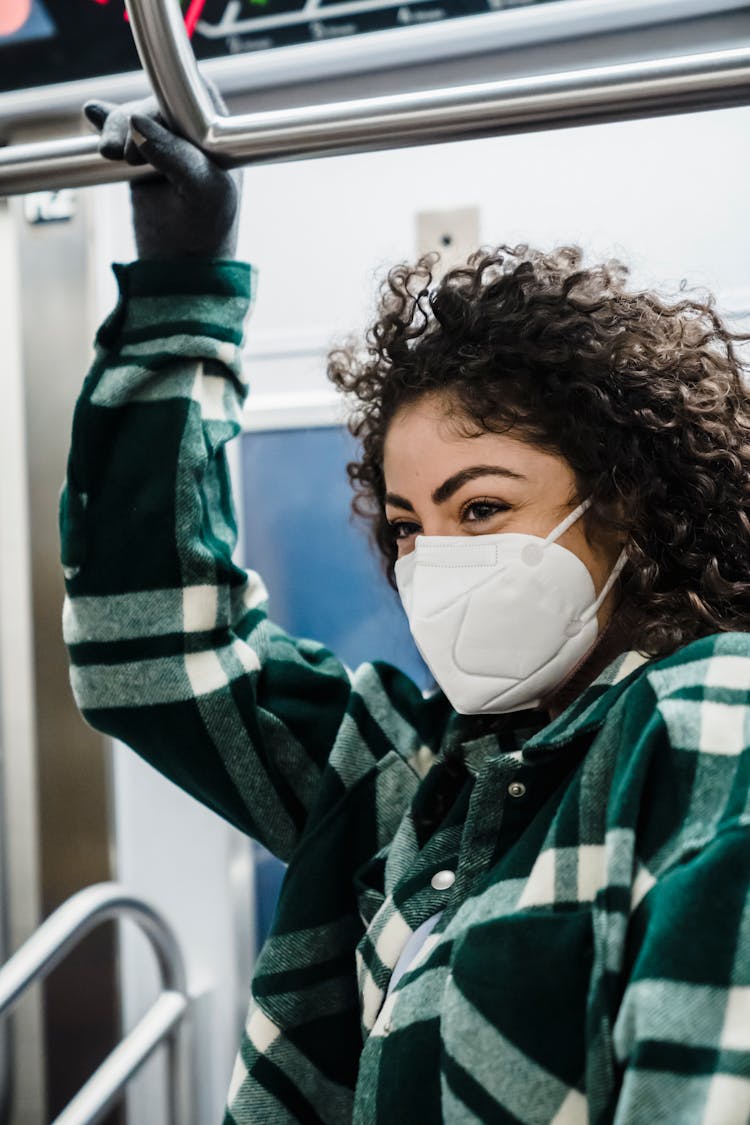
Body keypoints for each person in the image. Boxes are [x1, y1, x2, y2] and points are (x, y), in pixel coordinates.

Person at [61, 99, 750, 1125]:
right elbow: (154, 656)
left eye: (483, 507)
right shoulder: (412, 777)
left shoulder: (703, 720)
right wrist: (180, 290)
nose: (436, 562)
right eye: (407, 525)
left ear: (631, 507)